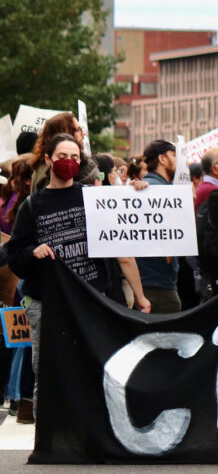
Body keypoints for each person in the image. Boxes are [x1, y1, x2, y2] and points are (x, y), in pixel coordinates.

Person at [6, 133, 151, 419]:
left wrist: (139, 193)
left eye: (75, 157)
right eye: (62, 157)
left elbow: (124, 236)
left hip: (90, 300)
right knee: (48, 371)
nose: (69, 163)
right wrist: (32, 252)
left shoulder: (94, 199)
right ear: (48, 160)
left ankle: (90, 434)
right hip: (48, 303)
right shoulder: (32, 206)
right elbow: (15, 255)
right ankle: (49, 438)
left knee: (93, 365)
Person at [136, 140, 184, 313]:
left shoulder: (160, 188)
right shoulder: (161, 192)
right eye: (174, 156)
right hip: (158, 283)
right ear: (162, 159)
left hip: (146, 280)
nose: (179, 162)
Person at [29, 112, 98, 192]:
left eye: (75, 158)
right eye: (78, 129)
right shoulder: (46, 172)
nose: (84, 134)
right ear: (66, 134)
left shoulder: (40, 166)